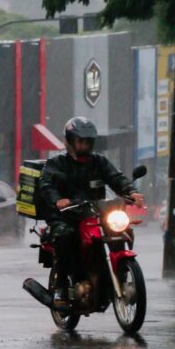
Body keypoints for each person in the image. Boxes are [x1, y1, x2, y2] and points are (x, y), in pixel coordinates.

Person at [39, 117, 145, 310]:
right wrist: (57, 200)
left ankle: (117, 275)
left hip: (95, 212)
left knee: (124, 229)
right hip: (65, 214)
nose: (85, 145)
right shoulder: (57, 164)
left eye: (88, 141)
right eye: (81, 141)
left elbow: (115, 177)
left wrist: (131, 191)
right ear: (69, 141)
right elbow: (46, 186)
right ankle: (62, 287)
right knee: (65, 235)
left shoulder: (99, 162)